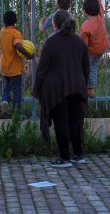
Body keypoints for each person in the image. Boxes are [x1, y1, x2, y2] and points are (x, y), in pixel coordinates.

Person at [32, 10, 90, 168]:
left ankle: (64, 158)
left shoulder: (51, 41)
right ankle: (78, 154)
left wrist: (36, 89)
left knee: (61, 122)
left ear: (54, 23)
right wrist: (82, 83)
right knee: (75, 121)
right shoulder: (79, 41)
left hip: (57, 89)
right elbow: (86, 67)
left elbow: (42, 68)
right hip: (77, 87)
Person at [0, 10, 34, 113]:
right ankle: (17, 113)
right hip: (14, 68)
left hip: (4, 66)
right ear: (15, 21)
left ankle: (5, 100)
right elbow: (18, 45)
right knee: (16, 90)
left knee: (7, 85)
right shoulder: (16, 33)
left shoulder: (2, 31)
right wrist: (29, 55)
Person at [80, 0, 110, 98]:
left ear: (85, 12)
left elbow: (84, 45)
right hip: (102, 48)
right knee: (94, 66)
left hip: (92, 51)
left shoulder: (85, 27)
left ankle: (85, 88)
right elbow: (98, 0)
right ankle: (91, 88)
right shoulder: (100, 15)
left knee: (87, 67)